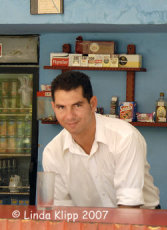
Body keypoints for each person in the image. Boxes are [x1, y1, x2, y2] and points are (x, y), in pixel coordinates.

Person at [42, 71, 160, 208]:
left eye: (77, 105)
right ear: (53, 108)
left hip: (142, 219)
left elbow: (129, 207)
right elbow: (61, 209)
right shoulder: (52, 152)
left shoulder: (124, 137)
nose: (69, 116)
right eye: (61, 107)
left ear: (92, 104)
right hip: (90, 221)